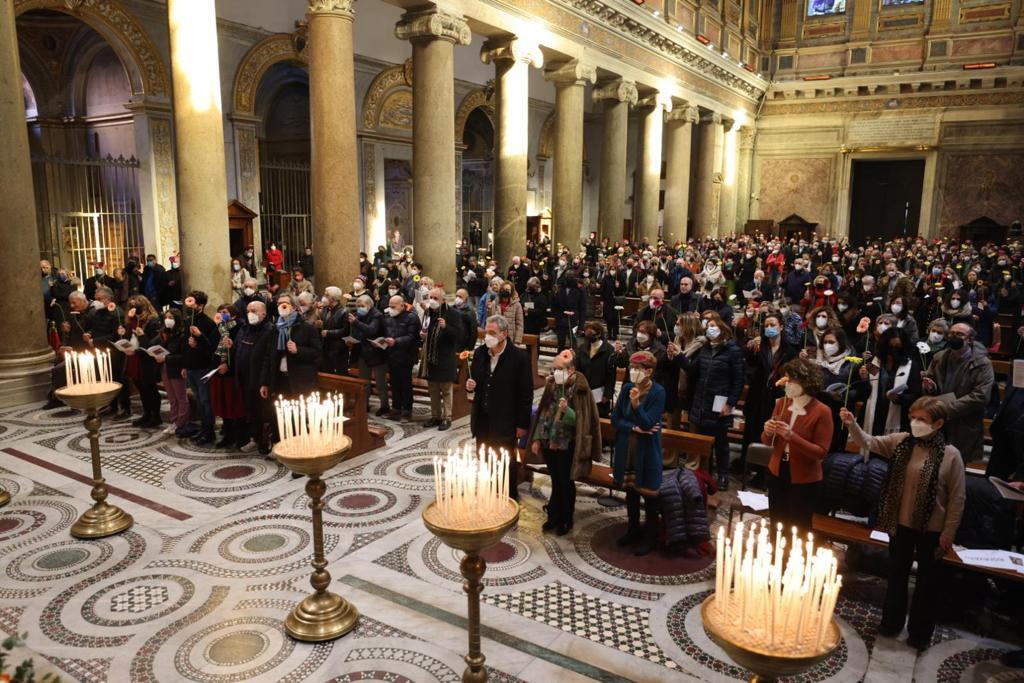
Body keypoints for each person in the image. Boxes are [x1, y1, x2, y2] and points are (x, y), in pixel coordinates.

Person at [840, 397, 965, 651]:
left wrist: (949, 532)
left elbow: (957, 499)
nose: (916, 423)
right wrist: (852, 423)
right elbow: (869, 442)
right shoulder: (901, 443)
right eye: (913, 418)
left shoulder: (951, 455)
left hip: (933, 530)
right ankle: (891, 623)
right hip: (901, 524)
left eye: (923, 419)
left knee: (926, 584)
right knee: (896, 576)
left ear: (939, 423)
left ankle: (919, 633)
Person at [530, 350, 601, 535]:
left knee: (565, 481)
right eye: (553, 369)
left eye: (559, 369)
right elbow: (543, 413)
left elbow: (583, 421)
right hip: (549, 442)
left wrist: (567, 411)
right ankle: (553, 516)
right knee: (555, 479)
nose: (555, 372)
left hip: (568, 444)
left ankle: (566, 518)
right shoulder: (552, 385)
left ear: (571, 370)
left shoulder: (580, 388)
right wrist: (537, 437)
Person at [761, 357, 833, 533]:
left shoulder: (822, 411)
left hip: (804, 477)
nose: (787, 384)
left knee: (798, 526)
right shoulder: (781, 403)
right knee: (777, 524)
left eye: (792, 380)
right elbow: (767, 442)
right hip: (777, 470)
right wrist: (768, 431)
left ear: (806, 382)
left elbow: (821, 452)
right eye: (786, 379)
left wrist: (792, 437)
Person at [672, 314, 745, 489]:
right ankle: (703, 473)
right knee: (702, 440)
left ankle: (723, 475)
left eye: (713, 325)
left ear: (722, 328)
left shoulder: (732, 350)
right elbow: (692, 370)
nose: (710, 329)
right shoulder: (705, 348)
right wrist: (678, 356)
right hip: (701, 399)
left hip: (720, 399)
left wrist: (730, 403)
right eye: (708, 326)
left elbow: (738, 380)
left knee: (720, 440)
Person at [467, 315, 533, 501]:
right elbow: (474, 380)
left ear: (504, 334)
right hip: (483, 418)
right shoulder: (481, 353)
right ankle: (489, 490)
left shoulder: (519, 357)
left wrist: (522, 424)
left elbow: (526, 394)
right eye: (486, 332)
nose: (487, 336)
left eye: (492, 333)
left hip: (506, 419)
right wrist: (469, 385)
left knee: (505, 460)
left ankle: (509, 495)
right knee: (485, 457)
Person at [611, 350, 665, 556]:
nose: (633, 372)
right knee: (631, 493)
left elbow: (648, 422)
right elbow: (616, 419)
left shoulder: (658, 392)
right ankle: (632, 530)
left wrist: (636, 406)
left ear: (649, 371)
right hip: (628, 449)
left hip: (647, 450)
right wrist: (633, 428)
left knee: (649, 496)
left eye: (638, 369)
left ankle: (650, 536)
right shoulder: (626, 388)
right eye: (632, 368)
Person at [920, 322, 994, 462]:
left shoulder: (982, 363)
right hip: (939, 421)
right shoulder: (939, 357)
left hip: (964, 422)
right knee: (931, 464)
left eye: (959, 334)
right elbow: (930, 381)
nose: (954, 337)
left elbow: (980, 396)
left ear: (970, 339)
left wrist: (946, 409)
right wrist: (930, 387)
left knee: (956, 466)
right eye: (951, 334)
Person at [740, 312, 797, 482]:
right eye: (766, 326)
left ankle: (766, 472)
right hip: (758, 396)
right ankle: (751, 468)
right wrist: (750, 349)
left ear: (781, 327)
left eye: (772, 325)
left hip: (777, 396)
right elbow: (749, 368)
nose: (769, 328)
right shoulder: (760, 347)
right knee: (754, 431)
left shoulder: (789, 350)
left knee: (772, 433)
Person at [262, 293, 322, 401]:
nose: (281, 306)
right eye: (279, 303)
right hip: (280, 380)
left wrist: (298, 350)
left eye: (285, 303)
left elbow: (317, 352)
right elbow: (268, 356)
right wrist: (265, 382)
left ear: (294, 307)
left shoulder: (307, 327)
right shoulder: (275, 328)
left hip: (300, 380)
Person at [235, 300, 275, 454]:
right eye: (248, 310)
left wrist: (264, 381)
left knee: (265, 412)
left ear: (263, 313)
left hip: (259, 379)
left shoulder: (269, 330)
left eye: (254, 310)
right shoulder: (245, 328)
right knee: (251, 411)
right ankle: (254, 438)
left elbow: (267, 357)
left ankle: (267, 442)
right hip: (245, 378)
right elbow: (240, 346)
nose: (250, 313)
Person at [181, 291, 220, 445]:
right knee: (198, 399)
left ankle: (209, 431)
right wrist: (184, 365)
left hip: (203, 367)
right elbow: (185, 345)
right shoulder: (187, 322)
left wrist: (199, 341)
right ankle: (203, 428)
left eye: (193, 302)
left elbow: (212, 349)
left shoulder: (209, 323)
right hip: (191, 366)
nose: (189, 305)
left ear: (201, 305)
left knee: (205, 400)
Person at [422, 288, 460, 429]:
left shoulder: (453, 313)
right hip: (431, 358)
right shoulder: (428, 312)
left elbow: (458, 335)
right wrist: (422, 334)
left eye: (435, 298)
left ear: (443, 300)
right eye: (430, 297)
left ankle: (447, 418)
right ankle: (435, 416)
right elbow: (425, 329)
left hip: (445, 359)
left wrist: (446, 327)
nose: (432, 299)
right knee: (433, 390)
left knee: (446, 390)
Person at [209, 305, 246, 448]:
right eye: (219, 312)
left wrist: (228, 365)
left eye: (224, 313)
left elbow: (241, 350)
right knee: (224, 405)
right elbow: (212, 347)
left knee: (235, 406)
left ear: (233, 315)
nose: (221, 315)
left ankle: (240, 436)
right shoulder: (219, 328)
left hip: (232, 373)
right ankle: (228, 435)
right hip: (218, 371)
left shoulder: (239, 327)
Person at [383, 294, 421, 423]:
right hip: (392, 355)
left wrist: (396, 341)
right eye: (389, 306)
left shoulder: (412, 318)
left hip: (406, 356)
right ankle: (395, 408)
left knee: (405, 385)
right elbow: (385, 332)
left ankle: (407, 411)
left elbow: (412, 337)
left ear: (401, 305)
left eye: (393, 306)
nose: (390, 309)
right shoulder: (388, 317)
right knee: (394, 384)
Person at [350, 294, 389, 416]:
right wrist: (352, 339)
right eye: (358, 306)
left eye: (362, 306)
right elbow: (357, 332)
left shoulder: (377, 315)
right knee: (364, 382)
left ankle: (384, 406)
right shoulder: (360, 316)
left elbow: (372, 330)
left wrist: (356, 322)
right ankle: (364, 404)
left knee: (380, 383)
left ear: (369, 305)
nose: (360, 308)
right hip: (363, 353)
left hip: (377, 353)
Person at [157, 308, 190, 437]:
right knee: (171, 398)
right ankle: (174, 421)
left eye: (170, 317)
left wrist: (166, 358)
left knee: (181, 398)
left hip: (177, 369)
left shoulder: (182, 334)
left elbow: (183, 355)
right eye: (166, 317)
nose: (167, 320)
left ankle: (181, 423)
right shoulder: (166, 333)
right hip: (165, 368)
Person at [577, 321, 617, 418]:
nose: (588, 335)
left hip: (600, 392)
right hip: (584, 390)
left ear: (599, 334)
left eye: (591, 333)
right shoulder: (583, 348)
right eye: (586, 332)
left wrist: (608, 394)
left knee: (597, 417)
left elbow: (611, 374)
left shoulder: (608, 350)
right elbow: (578, 369)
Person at [319, 286, 351, 376]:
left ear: (333, 298)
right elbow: (325, 324)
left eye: (326, 295)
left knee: (340, 375)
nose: (324, 297)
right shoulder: (325, 309)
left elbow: (345, 331)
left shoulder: (344, 311)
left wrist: (329, 333)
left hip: (338, 349)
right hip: (325, 348)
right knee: (327, 374)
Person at [552, 274, 585, 350]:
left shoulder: (579, 291)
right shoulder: (559, 289)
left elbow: (582, 309)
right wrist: (556, 316)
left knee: (573, 344)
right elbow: (554, 305)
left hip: (572, 320)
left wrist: (581, 326)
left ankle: (574, 360)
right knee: (560, 344)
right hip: (560, 320)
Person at [487, 281, 524, 345]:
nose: (505, 291)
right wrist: (489, 309)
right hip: (496, 337)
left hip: (510, 338)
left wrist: (517, 341)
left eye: (507, 290)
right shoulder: (495, 303)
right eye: (503, 289)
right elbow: (490, 320)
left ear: (512, 291)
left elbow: (519, 324)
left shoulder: (517, 305)